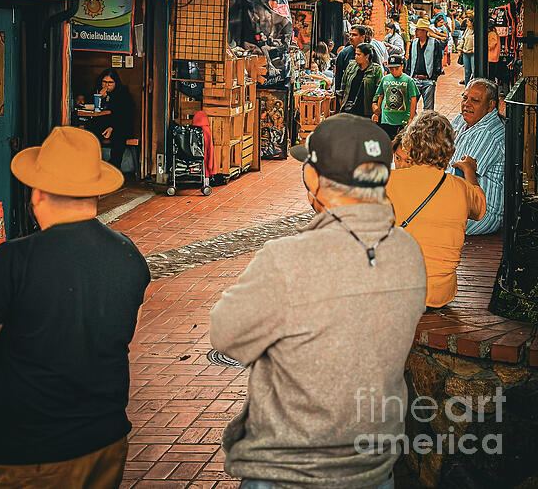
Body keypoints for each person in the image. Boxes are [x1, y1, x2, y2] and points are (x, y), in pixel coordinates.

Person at [210, 115, 426, 489]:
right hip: (374, 466)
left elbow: (225, 333)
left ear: (314, 179)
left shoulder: (288, 259)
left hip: (287, 470)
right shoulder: (410, 251)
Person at [0, 126, 150, 489]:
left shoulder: (13, 261)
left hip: (27, 455)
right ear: (94, 191)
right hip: (106, 444)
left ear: (38, 191)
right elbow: (119, 335)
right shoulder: (129, 256)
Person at [387, 112, 486, 307]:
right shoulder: (461, 188)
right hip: (440, 294)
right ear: (449, 149)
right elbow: (480, 210)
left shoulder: (388, 182)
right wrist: (470, 173)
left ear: (409, 142)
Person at [450, 78, 505, 235]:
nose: (467, 104)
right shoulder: (463, 118)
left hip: (482, 214)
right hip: (461, 201)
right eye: (465, 97)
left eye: (475, 100)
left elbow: (458, 172)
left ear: (490, 106)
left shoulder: (487, 132)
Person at [88, 69, 133, 170]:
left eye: (110, 82)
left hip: (119, 125)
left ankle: (114, 167)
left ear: (115, 83)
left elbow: (124, 115)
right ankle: (92, 165)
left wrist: (112, 127)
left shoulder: (122, 93)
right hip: (102, 124)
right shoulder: (97, 91)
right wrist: (101, 98)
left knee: (119, 136)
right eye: (104, 82)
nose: (106, 85)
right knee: (90, 133)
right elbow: (93, 108)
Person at [373, 53, 418, 139]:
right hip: (386, 118)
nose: (394, 71)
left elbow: (413, 99)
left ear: (402, 66)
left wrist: (411, 117)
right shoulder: (385, 79)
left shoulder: (408, 80)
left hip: (402, 119)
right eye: (391, 69)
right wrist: (377, 113)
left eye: (396, 68)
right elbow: (381, 95)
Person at [405, 18, 445, 110]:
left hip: (428, 80)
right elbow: (410, 60)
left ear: (424, 31)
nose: (415, 32)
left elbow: (438, 61)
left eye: (417, 30)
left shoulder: (435, 43)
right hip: (415, 79)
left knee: (428, 109)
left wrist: (434, 77)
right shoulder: (413, 43)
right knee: (410, 108)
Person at [340, 42, 383, 117]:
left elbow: (379, 90)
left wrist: (375, 105)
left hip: (366, 109)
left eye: (359, 54)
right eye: (355, 54)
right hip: (349, 108)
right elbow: (343, 84)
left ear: (367, 56)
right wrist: (341, 102)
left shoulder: (376, 69)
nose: (356, 56)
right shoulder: (351, 66)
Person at [334, 24, 370, 97]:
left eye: (354, 35)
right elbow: (338, 76)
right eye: (350, 35)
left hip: (367, 95)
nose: (350, 37)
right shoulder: (343, 53)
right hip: (348, 95)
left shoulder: (371, 52)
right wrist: (338, 95)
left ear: (362, 37)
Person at [458, 15, 475, 86]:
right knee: (467, 72)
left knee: (474, 72)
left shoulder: (477, 31)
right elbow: (463, 39)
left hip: (473, 53)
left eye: (468, 22)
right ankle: (466, 89)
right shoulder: (467, 30)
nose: (467, 23)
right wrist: (460, 47)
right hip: (465, 52)